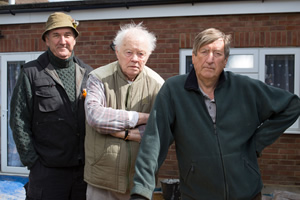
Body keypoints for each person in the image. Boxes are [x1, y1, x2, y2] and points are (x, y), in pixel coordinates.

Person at [130, 28, 300, 200]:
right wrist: (141, 191)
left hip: (247, 194)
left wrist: (256, 143)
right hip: (197, 195)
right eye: (204, 52)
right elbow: (154, 142)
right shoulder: (173, 91)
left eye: (217, 53)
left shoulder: (244, 87)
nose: (210, 59)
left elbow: (292, 105)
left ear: (225, 61)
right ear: (194, 58)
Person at [10, 12, 92, 200]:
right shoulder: (31, 73)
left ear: (75, 39)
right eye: (56, 35)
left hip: (83, 174)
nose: (62, 41)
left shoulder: (88, 73)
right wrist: (33, 162)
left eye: (68, 35)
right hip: (47, 173)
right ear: (47, 40)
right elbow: (18, 120)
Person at [84, 22, 164, 200]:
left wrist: (123, 133)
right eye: (129, 52)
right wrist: (141, 117)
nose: (135, 58)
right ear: (117, 52)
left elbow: (162, 128)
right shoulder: (98, 78)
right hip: (101, 180)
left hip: (139, 181)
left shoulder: (157, 84)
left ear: (148, 56)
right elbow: (95, 117)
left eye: (141, 53)